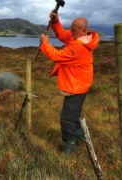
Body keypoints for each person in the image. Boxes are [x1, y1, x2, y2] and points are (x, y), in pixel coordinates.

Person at [40, 11, 99, 155]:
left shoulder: (79, 47)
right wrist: (55, 21)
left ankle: (70, 148)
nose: (70, 31)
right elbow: (62, 34)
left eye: (74, 29)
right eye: (71, 28)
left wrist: (45, 43)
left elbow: (56, 56)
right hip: (79, 84)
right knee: (74, 114)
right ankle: (79, 138)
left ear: (84, 30)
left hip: (76, 86)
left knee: (66, 118)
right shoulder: (78, 37)